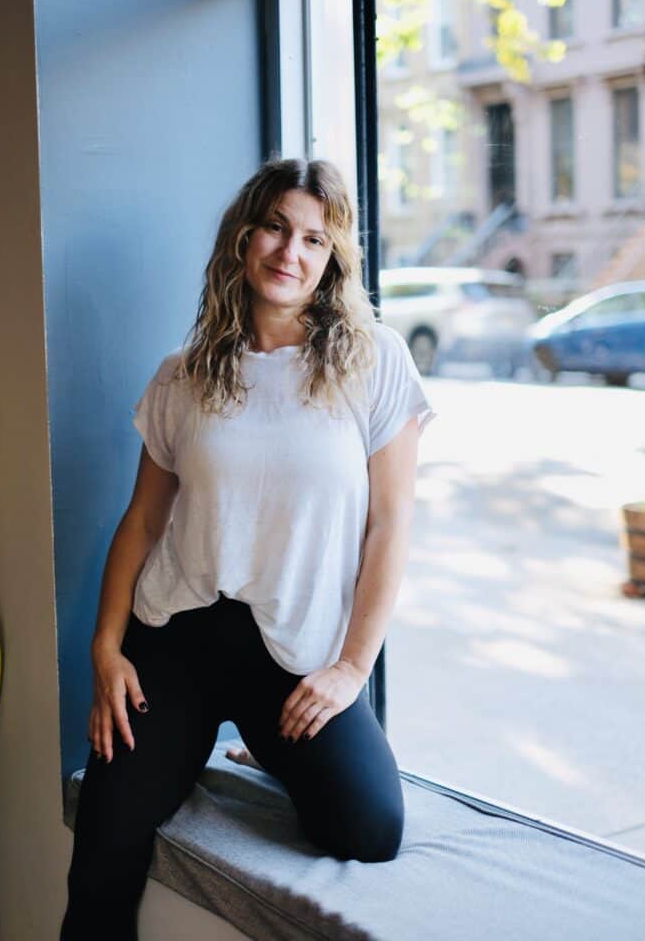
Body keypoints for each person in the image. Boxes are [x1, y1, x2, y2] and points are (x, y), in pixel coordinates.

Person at [60, 157, 436, 940]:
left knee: (369, 831)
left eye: (312, 237)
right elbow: (141, 522)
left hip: (295, 650)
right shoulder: (183, 376)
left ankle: (266, 746)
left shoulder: (373, 362)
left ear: (332, 258)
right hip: (179, 639)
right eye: (273, 227)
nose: (288, 251)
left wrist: (349, 670)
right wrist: (105, 648)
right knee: (104, 844)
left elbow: (390, 525)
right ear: (243, 238)